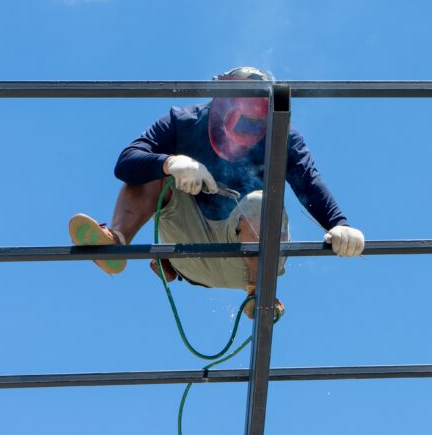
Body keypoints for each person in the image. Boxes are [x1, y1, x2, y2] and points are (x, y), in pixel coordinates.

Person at [68, 66, 365, 317]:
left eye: (256, 121)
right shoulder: (183, 121)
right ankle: (116, 243)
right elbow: (126, 164)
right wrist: (170, 163)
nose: (246, 130)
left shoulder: (282, 133)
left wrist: (338, 225)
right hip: (189, 251)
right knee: (150, 171)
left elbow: (308, 182)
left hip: (250, 257)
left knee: (262, 204)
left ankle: (260, 296)